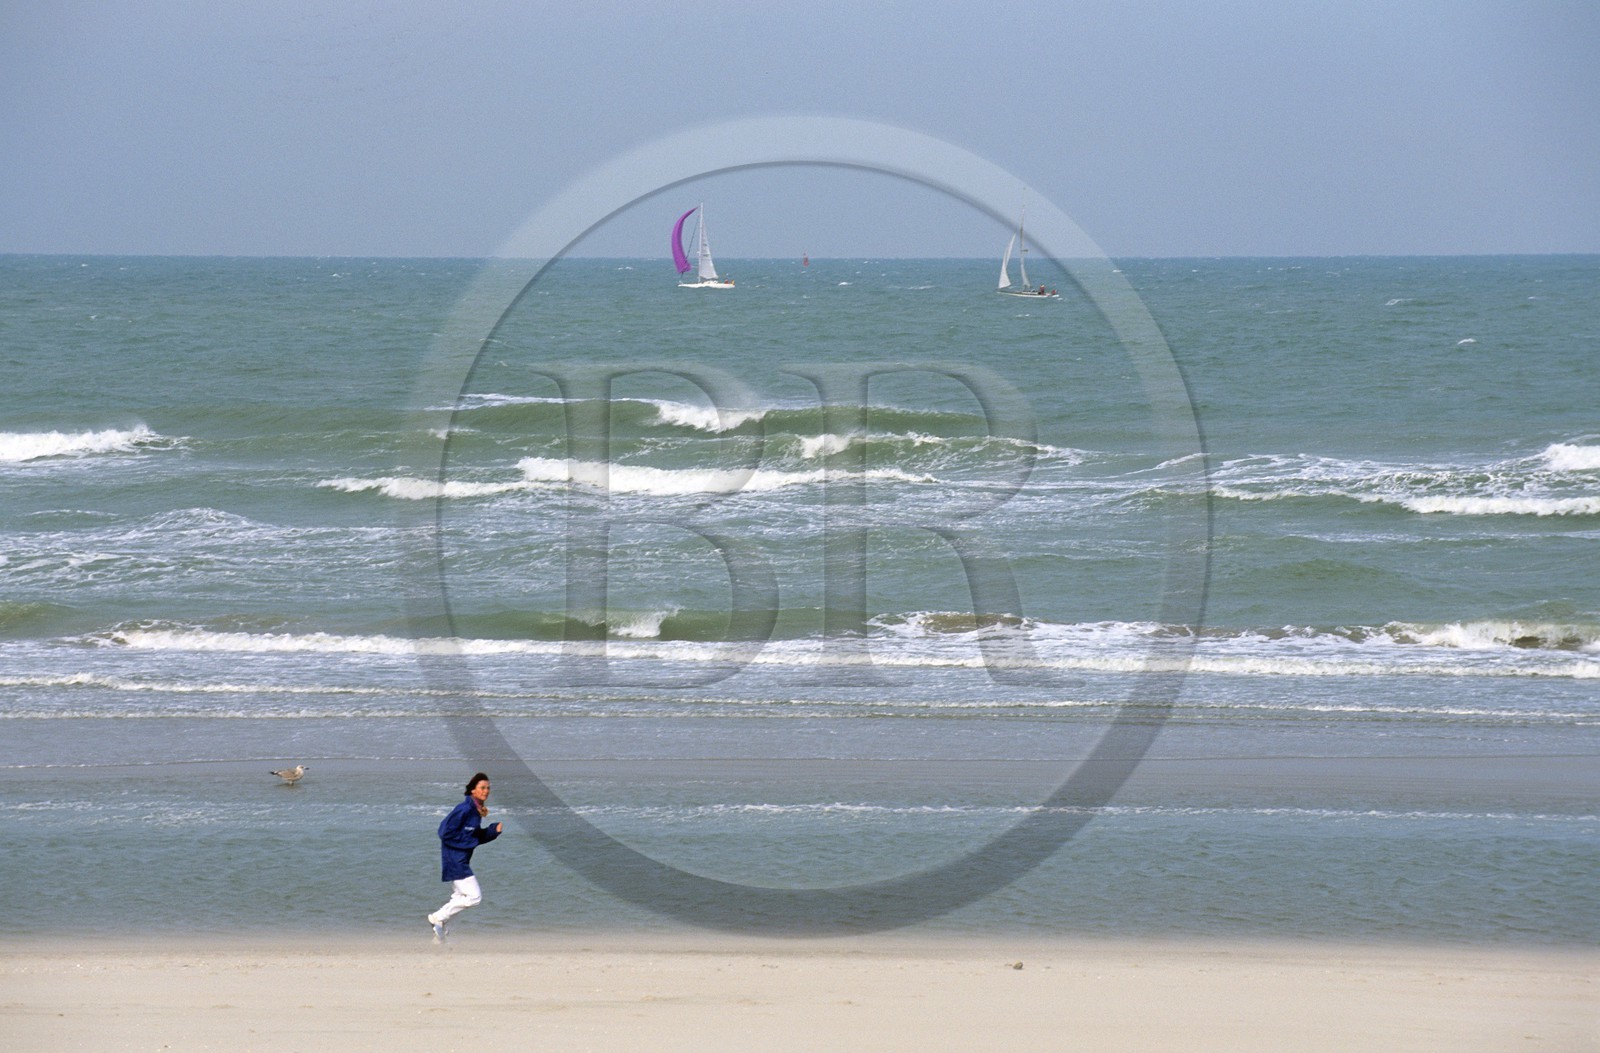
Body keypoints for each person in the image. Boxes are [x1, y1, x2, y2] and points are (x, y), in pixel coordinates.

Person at [426, 772, 501, 942]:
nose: (486, 791)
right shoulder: (464, 809)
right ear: (473, 790)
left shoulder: (475, 811)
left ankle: (440, 930)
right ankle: (437, 917)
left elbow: (473, 836)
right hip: (455, 861)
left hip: (461, 860)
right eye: (482, 787)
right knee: (475, 897)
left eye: (488, 788)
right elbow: (445, 833)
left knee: (459, 898)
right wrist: (468, 843)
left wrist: (492, 831)